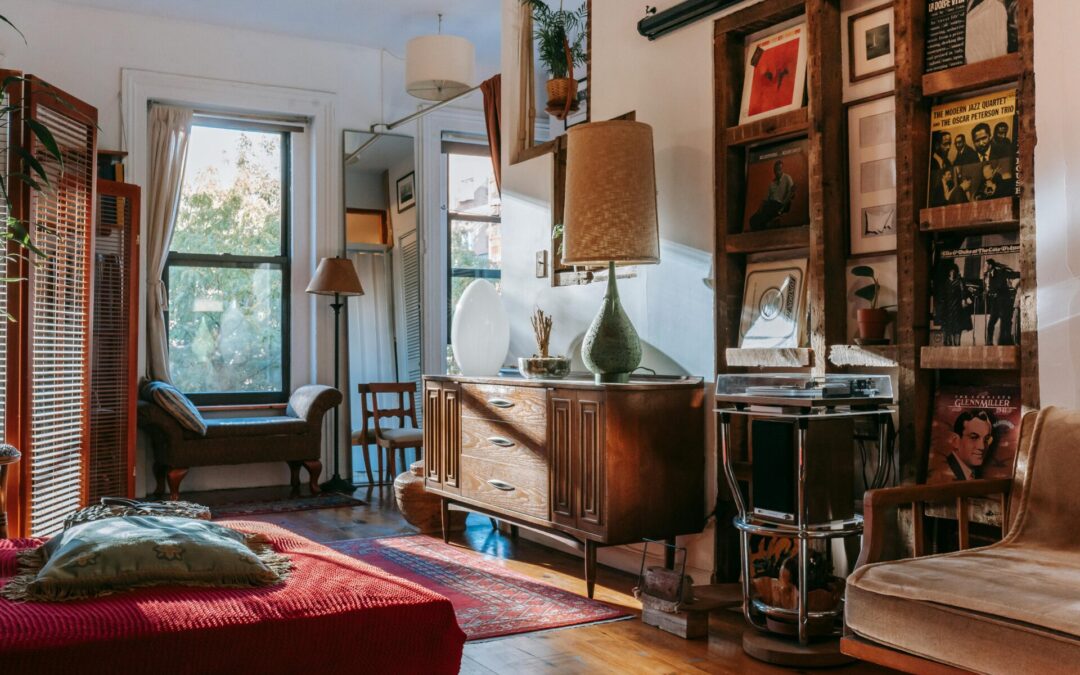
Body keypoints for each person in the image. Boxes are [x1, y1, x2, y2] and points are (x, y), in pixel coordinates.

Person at [931, 409, 998, 482]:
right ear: (955, 441)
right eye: (974, 437)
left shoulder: (971, 472)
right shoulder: (943, 474)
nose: (982, 447)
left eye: (986, 439)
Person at [748, 159, 796, 230]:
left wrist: (782, 207)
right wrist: (759, 210)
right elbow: (765, 199)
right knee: (752, 220)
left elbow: (792, 193)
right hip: (770, 206)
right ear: (774, 171)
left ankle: (766, 225)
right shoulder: (772, 183)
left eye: (779, 169)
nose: (777, 172)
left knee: (767, 210)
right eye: (776, 170)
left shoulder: (787, 178)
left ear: (782, 169)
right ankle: (765, 227)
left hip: (781, 205)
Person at [984, 257, 1020, 345]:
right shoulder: (987, 275)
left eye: (985, 265)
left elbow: (1013, 275)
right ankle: (989, 342)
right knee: (991, 323)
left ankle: (1005, 342)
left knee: (1005, 323)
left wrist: (1023, 273)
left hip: (1003, 302)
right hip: (995, 303)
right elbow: (988, 287)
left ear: (990, 265)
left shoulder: (1000, 272)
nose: (984, 267)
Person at [935, 262, 972, 345]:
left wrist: (963, 300)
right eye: (951, 271)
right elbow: (942, 295)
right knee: (948, 327)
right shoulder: (946, 283)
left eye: (954, 271)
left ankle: (957, 343)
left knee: (958, 327)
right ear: (949, 272)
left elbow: (963, 292)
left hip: (957, 307)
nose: (952, 272)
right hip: (948, 308)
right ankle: (949, 342)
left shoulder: (959, 282)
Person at [929, 131, 953, 207]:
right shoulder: (931, 162)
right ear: (937, 145)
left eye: (950, 144)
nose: (949, 147)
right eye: (945, 144)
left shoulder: (948, 162)